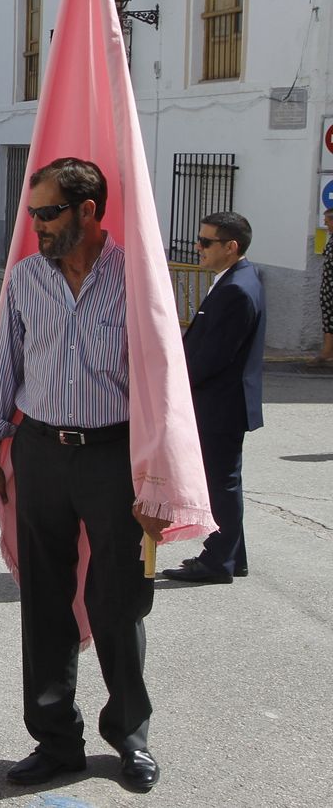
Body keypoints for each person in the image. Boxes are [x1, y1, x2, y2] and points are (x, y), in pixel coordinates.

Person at [0, 157, 164, 792]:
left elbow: (161, 385)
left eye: (47, 214)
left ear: (88, 210)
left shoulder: (136, 278)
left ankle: (129, 735)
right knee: (46, 600)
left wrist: (159, 477)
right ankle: (56, 741)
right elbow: (4, 365)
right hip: (42, 452)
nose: (36, 228)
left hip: (114, 456)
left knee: (119, 601)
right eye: (31, 215)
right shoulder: (27, 279)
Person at [162, 212, 264, 585]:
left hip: (220, 403)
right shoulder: (237, 278)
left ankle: (218, 561)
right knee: (223, 481)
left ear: (230, 247)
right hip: (225, 401)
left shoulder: (236, 288)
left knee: (220, 483)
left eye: (205, 242)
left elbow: (213, 355)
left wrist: (173, 388)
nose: (197, 248)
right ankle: (231, 556)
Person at [318, 208, 333, 364]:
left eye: (327, 221)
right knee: (328, 319)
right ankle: (327, 352)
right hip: (328, 287)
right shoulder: (331, 238)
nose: (325, 224)